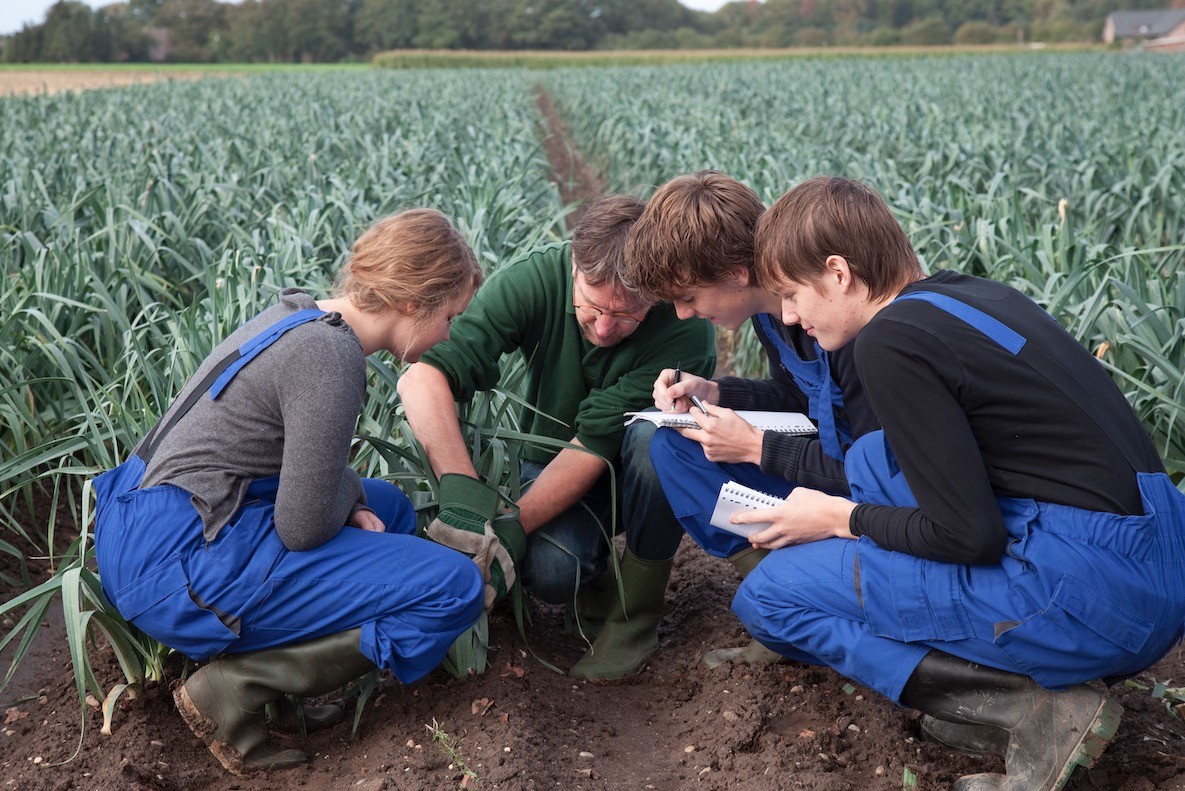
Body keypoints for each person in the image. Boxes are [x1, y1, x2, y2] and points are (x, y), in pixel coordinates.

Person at [731, 176, 1185, 790]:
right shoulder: (964, 297)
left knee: (771, 597)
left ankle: (1032, 712)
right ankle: (1011, 697)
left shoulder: (888, 343)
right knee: (875, 476)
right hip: (1158, 564)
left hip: (1092, 596)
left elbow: (969, 534)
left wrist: (838, 521)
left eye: (790, 293)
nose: (787, 316)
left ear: (838, 272)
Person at [92, 209, 487, 775]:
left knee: (390, 509)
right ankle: (237, 688)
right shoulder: (332, 358)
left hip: (155, 523)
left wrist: (350, 501)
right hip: (180, 563)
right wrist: (343, 504)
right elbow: (301, 526)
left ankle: (306, 676)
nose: (449, 333)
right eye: (450, 316)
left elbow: (295, 474)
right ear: (412, 302)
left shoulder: (299, 317)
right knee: (455, 588)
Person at [396, 195, 716, 681]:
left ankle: (637, 618)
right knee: (551, 570)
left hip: (645, 478)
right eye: (591, 305)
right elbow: (423, 377)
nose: (605, 327)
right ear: (574, 265)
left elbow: (596, 439)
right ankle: (600, 579)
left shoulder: (684, 329)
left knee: (657, 443)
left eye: (627, 314)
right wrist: (463, 498)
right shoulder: (534, 279)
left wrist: (511, 527)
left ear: (656, 293)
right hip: (551, 461)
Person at [624, 171, 878, 667]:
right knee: (672, 446)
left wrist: (754, 447)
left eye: (689, 297)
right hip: (825, 467)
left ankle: (803, 597)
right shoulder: (770, 316)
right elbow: (796, 395)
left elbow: (882, 473)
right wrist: (717, 392)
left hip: (866, 500)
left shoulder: (845, 322)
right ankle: (774, 584)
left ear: (737, 273)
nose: (681, 315)